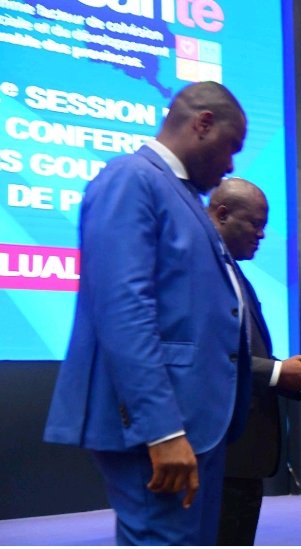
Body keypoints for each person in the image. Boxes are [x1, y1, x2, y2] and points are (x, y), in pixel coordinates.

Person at [44, 81, 252, 545]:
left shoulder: (181, 195)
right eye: (231, 147)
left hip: (194, 423)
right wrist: (161, 430)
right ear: (203, 124)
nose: (230, 166)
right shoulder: (130, 178)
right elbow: (124, 309)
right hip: (159, 425)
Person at [207, 177, 301, 546]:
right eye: (255, 224)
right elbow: (207, 357)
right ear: (222, 214)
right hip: (219, 451)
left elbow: (239, 354)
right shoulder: (200, 268)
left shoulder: (231, 270)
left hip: (241, 457)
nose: (262, 235)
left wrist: (295, 370)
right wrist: (279, 372)